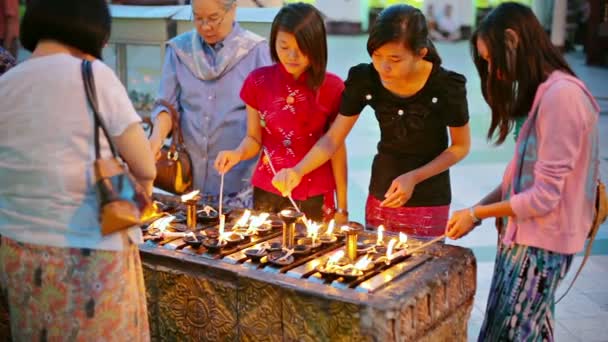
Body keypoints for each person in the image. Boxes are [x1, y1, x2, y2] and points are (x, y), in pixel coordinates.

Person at [0, 0, 156, 340]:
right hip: (90, 253)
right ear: (90, 29)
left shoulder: (6, 84)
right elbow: (145, 164)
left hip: (17, 252)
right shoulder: (93, 75)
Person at [446, 3, 600, 341]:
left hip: (540, 245)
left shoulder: (562, 98)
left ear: (512, 41)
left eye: (491, 59)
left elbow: (544, 197)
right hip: (524, 237)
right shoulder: (545, 93)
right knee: (529, 330)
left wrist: (477, 212)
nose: (492, 71)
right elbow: (519, 179)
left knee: (509, 334)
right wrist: (480, 212)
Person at [272, 4, 471, 238]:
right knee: (379, 264)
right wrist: (298, 170)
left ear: (421, 53)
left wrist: (415, 177)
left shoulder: (446, 86)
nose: (384, 67)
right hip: (381, 190)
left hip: (430, 196)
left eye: (395, 59)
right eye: (377, 56)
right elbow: (334, 138)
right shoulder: (365, 79)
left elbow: (460, 146)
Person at [214, 2, 348, 223]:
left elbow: (336, 147)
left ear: (316, 47)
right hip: (268, 187)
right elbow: (254, 138)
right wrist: (237, 153)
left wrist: (343, 208)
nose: (292, 56)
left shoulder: (332, 88)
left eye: (302, 48)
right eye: (284, 47)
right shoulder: (258, 82)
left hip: (314, 193)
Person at [149, 0, 271, 208]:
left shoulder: (256, 52)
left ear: (233, 9)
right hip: (189, 182)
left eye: (213, 18)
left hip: (240, 185)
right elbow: (167, 106)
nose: (205, 26)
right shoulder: (180, 51)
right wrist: (155, 138)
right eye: (198, 18)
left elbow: (269, 117)